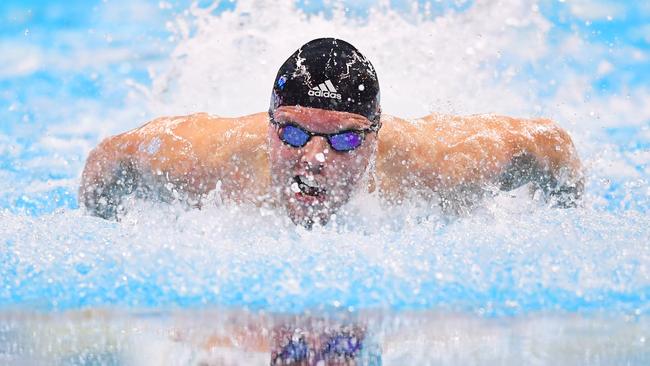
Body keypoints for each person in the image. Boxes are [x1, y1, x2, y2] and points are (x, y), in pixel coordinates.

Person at [79, 38, 584, 227]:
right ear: (269, 121)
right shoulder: (201, 161)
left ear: (377, 135)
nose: (315, 160)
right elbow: (108, 159)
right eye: (294, 134)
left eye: (344, 139)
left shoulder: (440, 166)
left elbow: (549, 144)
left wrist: (567, 219)